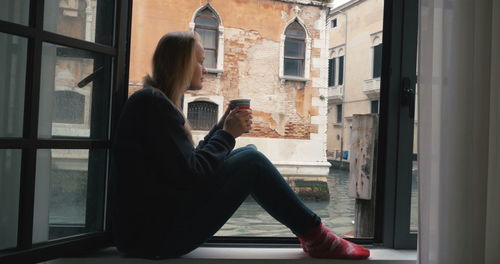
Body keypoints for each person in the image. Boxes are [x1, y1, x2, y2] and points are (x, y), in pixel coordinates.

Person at [110, 31, 370, 260]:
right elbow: (192, 175)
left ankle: (313, 236)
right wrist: (228, 135)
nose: (205, 66)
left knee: (249, 153)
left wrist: (221, 128)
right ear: (182, 64)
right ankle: (318, 238)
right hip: (154, 240)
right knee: (251, 162)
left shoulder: (156, 101)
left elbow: (185, 167)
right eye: (199, 61)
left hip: (149, 233)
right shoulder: (154, 104)